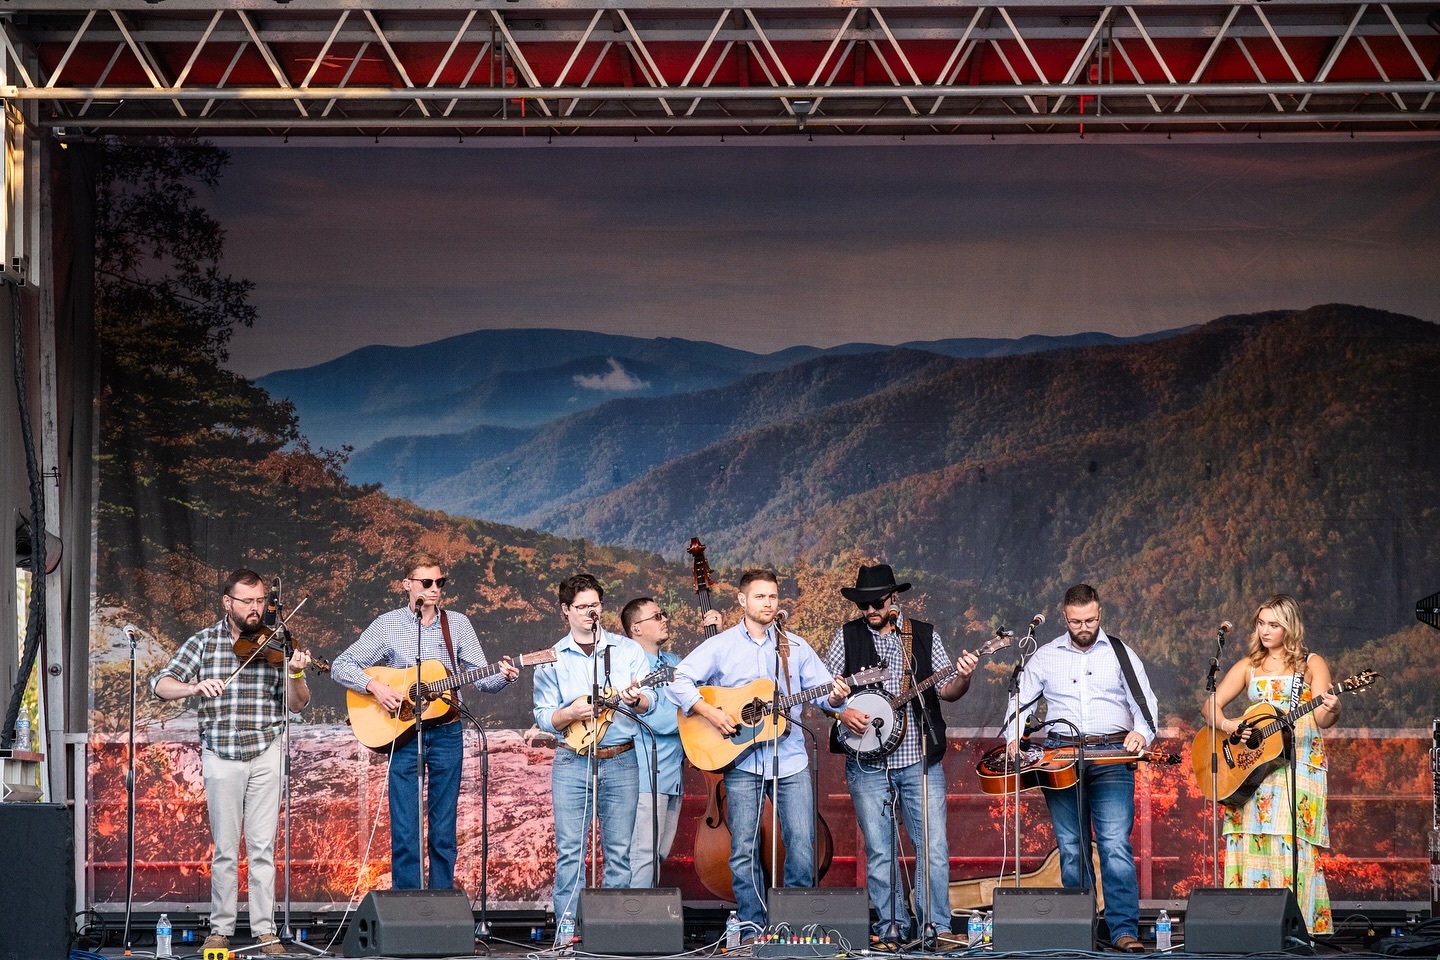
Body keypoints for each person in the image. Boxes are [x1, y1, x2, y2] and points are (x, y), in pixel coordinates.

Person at [668, 569, 848, 930]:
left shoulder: (793, 646)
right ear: (742, 600)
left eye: (773, 597)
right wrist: (710, 712)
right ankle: (752, 922)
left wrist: (838, 696)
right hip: (741, 760)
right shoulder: (721, 646)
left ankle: (794, 921)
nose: (768, 603)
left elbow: (827, 695)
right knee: (743, 847)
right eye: (760, 597)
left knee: (802, 841)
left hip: (791, 757)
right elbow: (680, 680)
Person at [331, 551, 519, 890]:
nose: (435, 589)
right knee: (405, 827)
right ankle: (406, 908)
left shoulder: (457, 624)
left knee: (444, 827)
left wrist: (503, 675)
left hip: (447, 732)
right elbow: (341, 665)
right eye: (427, 582)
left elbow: (482, 680)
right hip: (404, 734)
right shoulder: (387, 625)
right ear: (407, 585)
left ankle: (441, 904)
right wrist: (374, 687)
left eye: (440, 583)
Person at [152, 568, 313, 956]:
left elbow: (298, 703)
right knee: (225, 849)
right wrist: (194, 686)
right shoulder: (204, 642)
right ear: (228, 603)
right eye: (248, 602)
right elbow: (161, 684)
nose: (257, 609)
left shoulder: (276, 642)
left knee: (262, 849)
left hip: (266, 751)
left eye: (261, 601)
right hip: (220, 753)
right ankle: (220, 929)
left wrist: (297, 671)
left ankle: (265, 931)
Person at [825, 564, 979, 940]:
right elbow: (822, 692)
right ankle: (891, 926)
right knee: (880, 850)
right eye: (863, 605)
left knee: (933, 848)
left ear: (894, 598)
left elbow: (947, 690)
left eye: (876, 602)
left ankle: (935, 928)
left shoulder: (922, 636)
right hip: (866, 764)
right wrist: (841, 710)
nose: (869, 611)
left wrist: (964, 675)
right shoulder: (846, 637)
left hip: (917, 759)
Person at [1005, 583, 1159, 953]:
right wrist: (1014, 735)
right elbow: (1021, 703)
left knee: (1114, 845)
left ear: (1099, 614)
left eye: (1090, 620)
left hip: (1111, 753)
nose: (1084, 627)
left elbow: (1145, 699)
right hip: (1060, 756)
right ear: (1065, 617)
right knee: (1071, 847)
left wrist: (1141, 732)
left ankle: (1123, 930)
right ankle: (1081, 928)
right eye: (1076, 622)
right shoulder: (1044, 655)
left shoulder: (1121, 652)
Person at [1199, 594, 1337, 936]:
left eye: (1274, 624)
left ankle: (1295, 928)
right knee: (1251, 838)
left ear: (1290, 627)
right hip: (1251, 767)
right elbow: (1209, 707)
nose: (1265, 630)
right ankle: (1247, 926)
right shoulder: (1248, 666)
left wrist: (1332, 706)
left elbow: (1322, 717)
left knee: (1290, 841)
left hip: (1296, 763)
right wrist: (1232, 727)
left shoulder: (1311, 664)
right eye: (1261, 623)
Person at [532, 574, 658, 931]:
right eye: (583, 606)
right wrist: (569, 713)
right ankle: (567, 930)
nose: (591, 612)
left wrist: (639, 698)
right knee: (571, 850)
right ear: (565, 610)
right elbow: (543, 714)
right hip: (572, 760)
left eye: (596, 605)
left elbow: (653, 700)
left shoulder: (628, 650)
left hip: (620, 757)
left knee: (619, 851)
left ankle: (611, 929)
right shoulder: (552, 657)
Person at [619, 597, 722, 887]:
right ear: (636, 628)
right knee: (643, 857)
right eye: (656, 616)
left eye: (664, 614)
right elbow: (659, 720)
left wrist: (717, 638)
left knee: (658, 855)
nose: (665, 619)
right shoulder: (630, 668)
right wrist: (696, 712)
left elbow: (710, 693)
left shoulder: (674, 662)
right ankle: (634, 925)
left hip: (671, 776)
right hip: (645, 777)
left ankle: (647, 925)